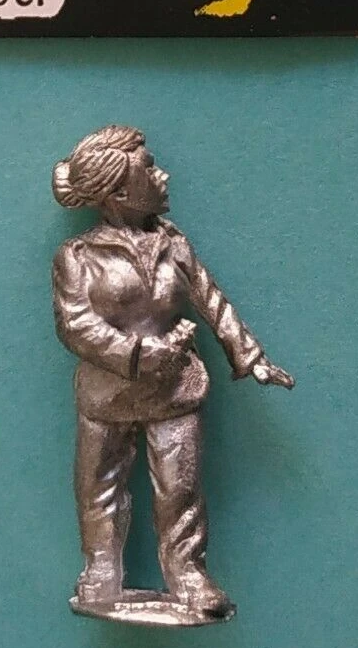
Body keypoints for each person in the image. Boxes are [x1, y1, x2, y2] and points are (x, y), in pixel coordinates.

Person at [51, 124, 293, 620]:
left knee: (180, 490)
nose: (164, 175)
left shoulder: (174, 244)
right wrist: (138, 353)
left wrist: (249, 356)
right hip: (107, 395)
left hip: (176, 390)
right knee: (99, 488)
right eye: (150, 168)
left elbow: (211, 300)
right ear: (119, 191)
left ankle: (188, 574)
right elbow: (76, 325)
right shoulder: (78, 257)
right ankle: (101, 569)